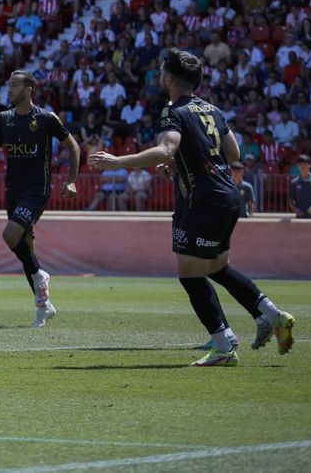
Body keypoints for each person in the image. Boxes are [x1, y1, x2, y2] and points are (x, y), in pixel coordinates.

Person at [90, 49, 295, 366]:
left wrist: (118, 161)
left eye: (161, 72)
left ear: (168, 78)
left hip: (203, 201)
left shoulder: (173, 111)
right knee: (216, 268)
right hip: (228, 196)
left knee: (189, 274)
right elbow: (233, 150)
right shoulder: (212, 109)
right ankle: (271, 315)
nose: (159, 76)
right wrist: (184, 163)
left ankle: (224, 347)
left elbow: (165, 148)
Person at [0, 70, 79, 327]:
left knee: (10, 235)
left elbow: (74, 147)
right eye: (8, 84)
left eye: (14, 85)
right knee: (27, 251)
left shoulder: (46, 118)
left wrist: (71, 180)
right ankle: (43, 307)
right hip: (12, 190)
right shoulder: (3, 119)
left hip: (36, 190)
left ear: (29, 89)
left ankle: (40, 276)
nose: (9, 89)